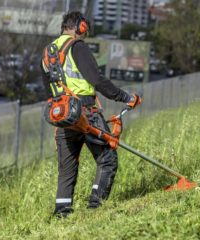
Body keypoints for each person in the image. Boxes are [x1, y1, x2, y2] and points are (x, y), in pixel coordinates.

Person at [40, 11, 141, 217]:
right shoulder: (77, 46)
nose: (85, 36)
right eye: (85, 31)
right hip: (86, 113)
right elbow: (97, 79)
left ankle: (62, 214)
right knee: (107, 160)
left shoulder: (48, 52)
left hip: (63, 116)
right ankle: (95, 209)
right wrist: (125, 97)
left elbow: (48, 90)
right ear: (81, 27)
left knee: (67, 171)